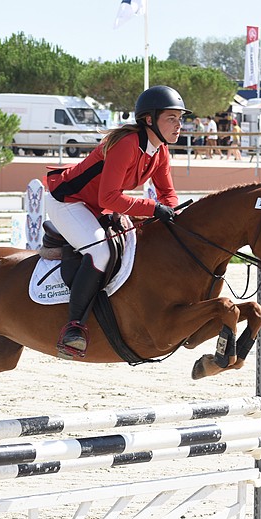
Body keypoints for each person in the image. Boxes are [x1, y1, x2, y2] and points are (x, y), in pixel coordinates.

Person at [45, 85, 188, 359]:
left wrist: (175, 217)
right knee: (102, 250)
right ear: (149, 119)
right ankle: (73, 327)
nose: (178, 125)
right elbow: (110, 197)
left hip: (96, 205)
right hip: (68, 201)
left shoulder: (160, 152)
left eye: (180, 119)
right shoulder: (126, 144)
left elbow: (167, 193)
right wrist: (154, 209)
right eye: (171, 118)